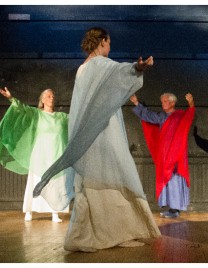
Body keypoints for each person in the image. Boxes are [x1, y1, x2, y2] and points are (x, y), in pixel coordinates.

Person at [34, 27, 161, 252]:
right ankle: (109, 233)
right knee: (112, 174)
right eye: (109, 43)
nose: (110, 47)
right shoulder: (101, 65)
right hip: (102, 131)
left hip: (87, 133)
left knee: (90, 180)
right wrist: (138, 67)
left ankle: (86, 234)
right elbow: (123, 72)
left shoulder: (82, 70)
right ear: (102, 42)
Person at [0, 87, 69, 223]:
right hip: (40, 155)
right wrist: (11, 98)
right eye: (48, 96)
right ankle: (29, 211)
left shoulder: (61, 117)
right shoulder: (37, 114)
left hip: (56, 154)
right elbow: (22, 108)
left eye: (52, 96)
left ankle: (54, 212)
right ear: (42, 100)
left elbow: (75, 121)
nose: (51, 98)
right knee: (36, 183)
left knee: (55, 183)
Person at [130, 92, 195, 218]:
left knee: (175, 180)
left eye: (165, 101)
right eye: (162, 101)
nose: (163, 104)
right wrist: (136, 103)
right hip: (165, 155)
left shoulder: (180, 116)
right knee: (167, 181)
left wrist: (191, 102)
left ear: (172, 103)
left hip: (176, 156)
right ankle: (171, 208)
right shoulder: (162, 117)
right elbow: (148, 115)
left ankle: (175, 209)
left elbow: (190, 114)